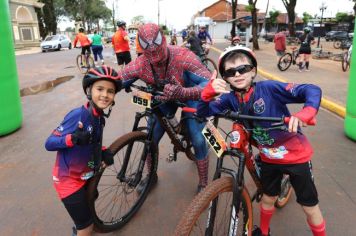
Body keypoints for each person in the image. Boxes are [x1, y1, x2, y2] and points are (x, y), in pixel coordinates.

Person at [197, 45, 326, 236]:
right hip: (268, 158)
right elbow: (202, 113)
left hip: (296, 157)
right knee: (267, 199)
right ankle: (264, 232)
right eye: (231, 71)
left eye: (243, 69)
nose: (238, 74)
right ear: (225, 77)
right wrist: (205, 96)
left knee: (309, 207)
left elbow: (311, 90)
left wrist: (306, 113)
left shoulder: (269, 88)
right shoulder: (229, 99)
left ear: (254, 71)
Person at [116, 23, 212, 193]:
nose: (154, 54)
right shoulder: (140, 64)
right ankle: (151, 176)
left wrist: (184, 92)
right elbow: (117, 80)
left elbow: (209, 84)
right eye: (148, 50)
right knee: (150, 138)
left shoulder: (183, 56)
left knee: (197, 138)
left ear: (164, 40)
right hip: (163, 98)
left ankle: (204, 182)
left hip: (189, 95)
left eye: (157, 48)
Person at [45, 66, 122, 236]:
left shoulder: (99, 117)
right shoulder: (78, 115)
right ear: (89, 90)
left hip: (86, 175)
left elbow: (92, 142)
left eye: (110, 91)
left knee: (88, 206)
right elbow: (49, 143)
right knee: (86, 228)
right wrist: (71, 139)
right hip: (68, 180)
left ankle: (79, 227)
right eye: (100, 89)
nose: (105, 95)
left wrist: (103, 151)